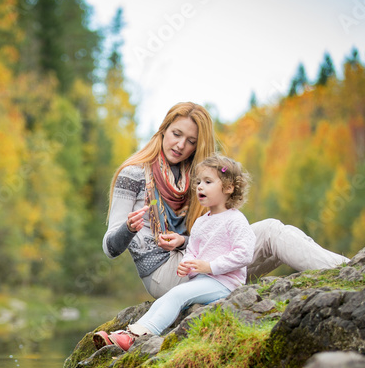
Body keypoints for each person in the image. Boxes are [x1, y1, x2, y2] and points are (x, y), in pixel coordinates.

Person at [101, 102, 348, 302]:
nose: (180, 145)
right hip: (164, 274)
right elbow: (110, 248)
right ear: (163, 129)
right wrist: (128, 229)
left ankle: (346, 270)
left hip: (197, 260)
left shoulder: (198, 177)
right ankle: (348, 271)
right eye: (176, 134)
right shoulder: (133, 174)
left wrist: (183, 240)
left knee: (275, 234)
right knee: (270, 232)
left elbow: (206, 235)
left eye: (191, 141)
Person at [95, 155, 253, 350]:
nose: (200, 187)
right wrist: (186, 265)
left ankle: (138, 337)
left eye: (208, 182)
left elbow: (244, 254)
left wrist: (210, 266)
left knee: (178, 294)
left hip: (226, 283)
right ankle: (129, 333)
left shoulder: (235, 220)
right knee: (169, 296)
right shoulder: (202, 221)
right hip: (205, 280)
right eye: (198, 182)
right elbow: (192, 250)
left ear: (229, 188)